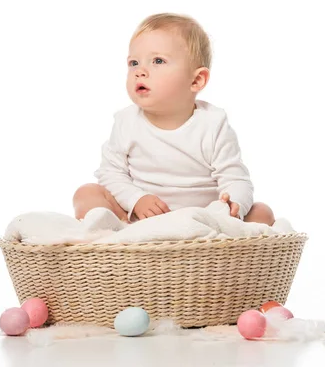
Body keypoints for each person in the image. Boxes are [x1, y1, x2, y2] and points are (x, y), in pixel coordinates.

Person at [72, 13, 275, 225]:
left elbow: (235, 177)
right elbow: (111, 174)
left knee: (262, 213)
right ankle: (122, 238)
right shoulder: (126, 122)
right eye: (133, 63)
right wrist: (137, 199)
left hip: (203, 221)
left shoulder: (212, 124)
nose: (139, 71)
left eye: (158, 61)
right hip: (141, 219)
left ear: (196, 80)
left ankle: (211, 245)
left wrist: (234, 204)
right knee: (86, 194)